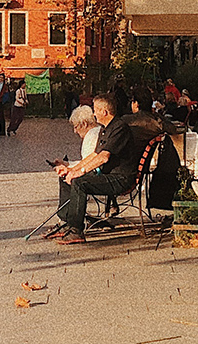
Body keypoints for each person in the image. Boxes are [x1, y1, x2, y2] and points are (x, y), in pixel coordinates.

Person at [47, 94, 139, 244]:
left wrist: (79, 173)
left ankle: (76, 230)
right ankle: (66, 221)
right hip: (108, 176)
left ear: (104, 112)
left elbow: (103, 157)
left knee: (79, 182)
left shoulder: (119, 128)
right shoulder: (105, 129)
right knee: (67, 177)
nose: (94, 114)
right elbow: (94, 155)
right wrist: (72, 169)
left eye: (95, 110)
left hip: (120, 177)